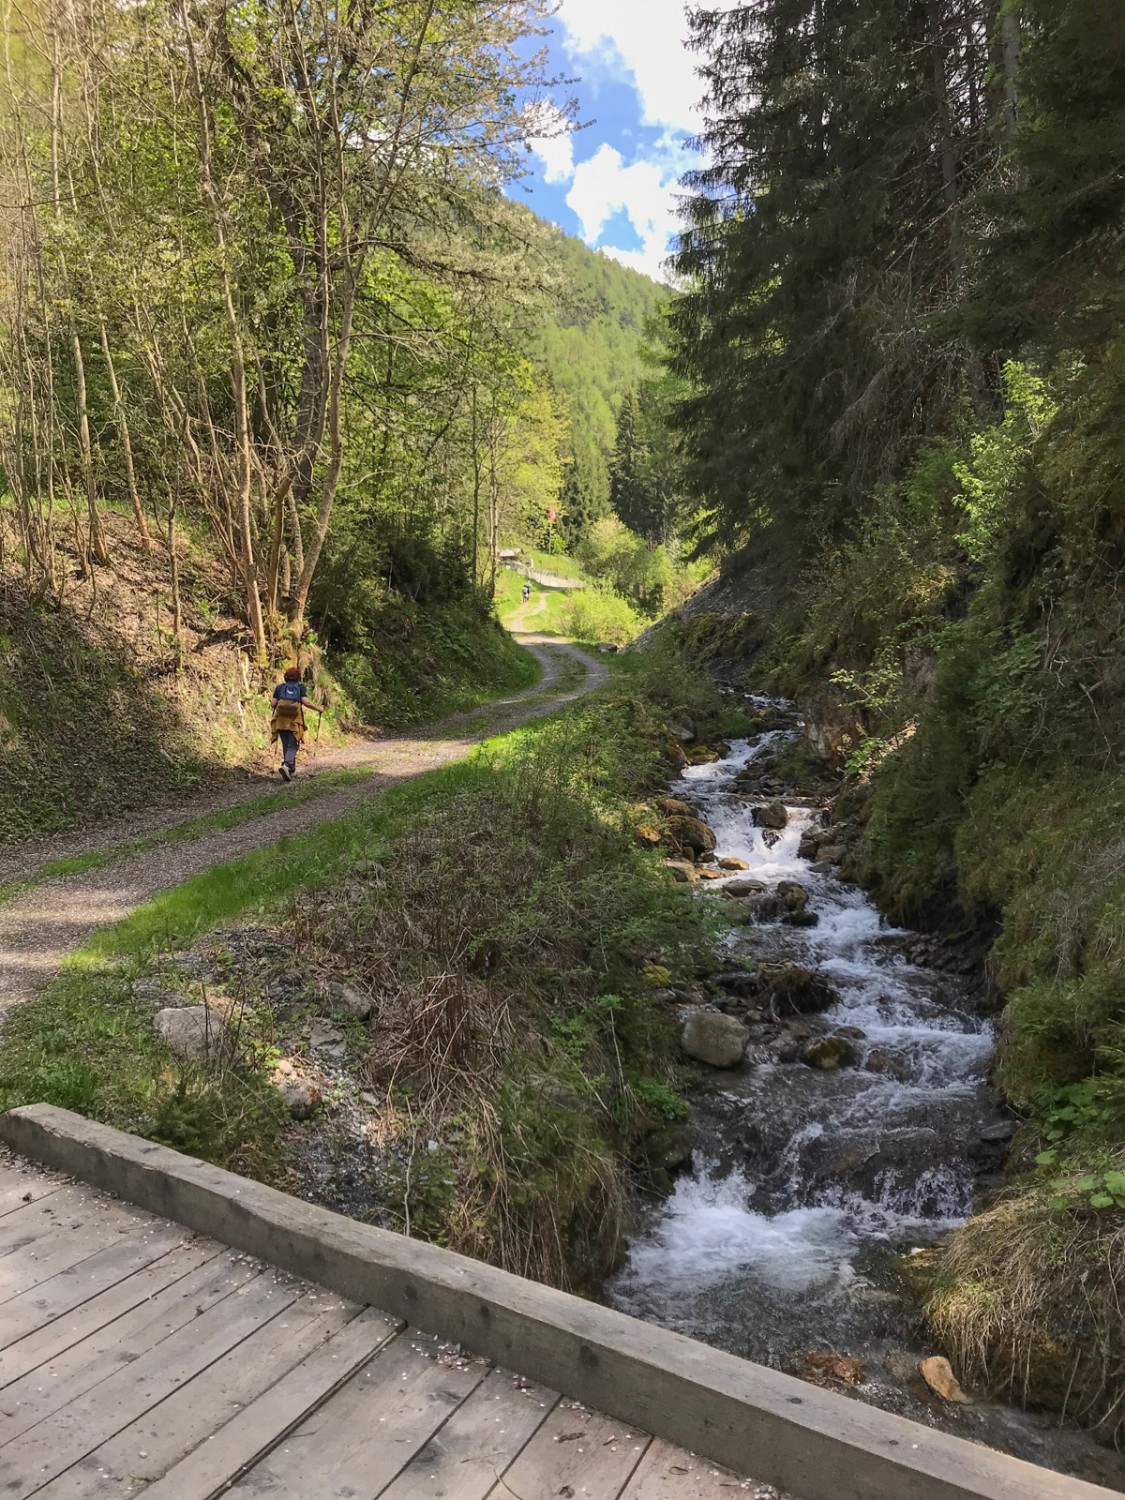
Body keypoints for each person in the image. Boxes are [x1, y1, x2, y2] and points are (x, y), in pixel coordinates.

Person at [270, 666, 325, 781]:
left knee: (287, 745)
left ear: (286, 677)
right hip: (295, 721)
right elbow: (306, 702)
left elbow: (273, 704)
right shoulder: (300, 687)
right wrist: (318, 708)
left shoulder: (280, 688)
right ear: (298, 677)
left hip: (280, 721)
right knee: (293, 745)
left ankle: (290, 769)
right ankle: (287, 765)